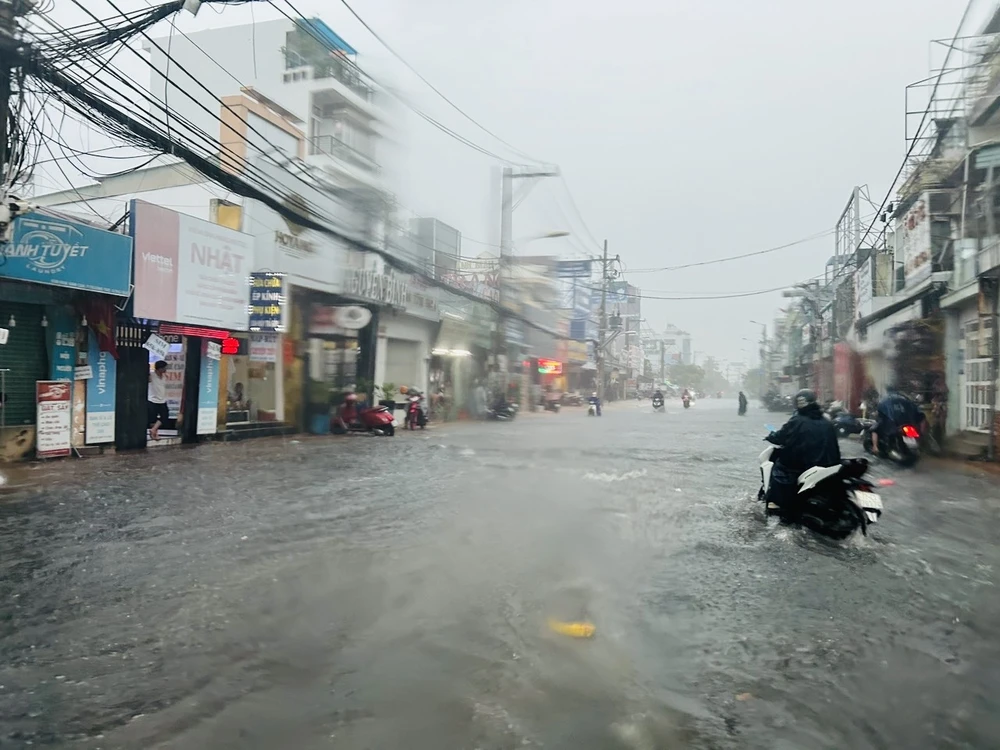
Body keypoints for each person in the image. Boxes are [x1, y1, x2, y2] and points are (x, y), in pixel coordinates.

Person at [764, 389, 841, 519]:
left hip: (804, 465)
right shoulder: (826, 420)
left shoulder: (797, 420)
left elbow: (782, 436)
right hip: (829, 463)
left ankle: (776, 504)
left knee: (779, 468)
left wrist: (772, 436)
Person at [871, 386, 925, 455]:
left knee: (875, 430)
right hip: (908, 423)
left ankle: (875, 447)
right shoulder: (905, 398)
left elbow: (880, 410)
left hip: (893, 423)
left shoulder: (885, 399)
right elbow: (917, 411)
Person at [148, 360, 169, 441]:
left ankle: (153, 430)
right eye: (164, 368)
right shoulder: (151, 375)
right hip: (153, 400)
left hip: (162, 400)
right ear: (159, 368)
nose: (165, 369)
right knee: (152, 419)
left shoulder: (164, 376)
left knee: (165, 416)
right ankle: (154, 433)